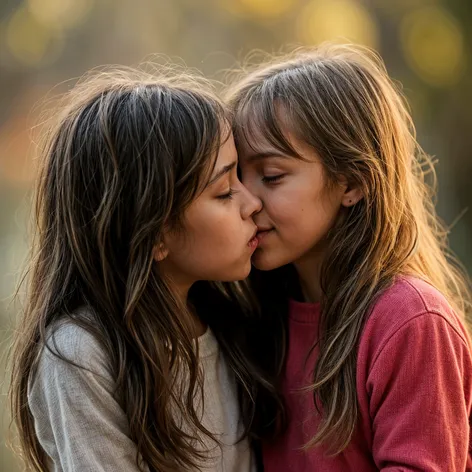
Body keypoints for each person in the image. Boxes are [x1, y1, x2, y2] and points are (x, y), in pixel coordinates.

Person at [226, 43, 472, 471]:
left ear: (352, 182)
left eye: (271, 176)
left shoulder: (409, 321)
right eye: (235, 178)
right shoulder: (257, 312)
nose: (246, 200)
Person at [9, 65, 263, 472]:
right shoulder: (80, 353)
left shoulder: (228, 319)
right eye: (224, 191)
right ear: (154, 235)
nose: (253, 203)